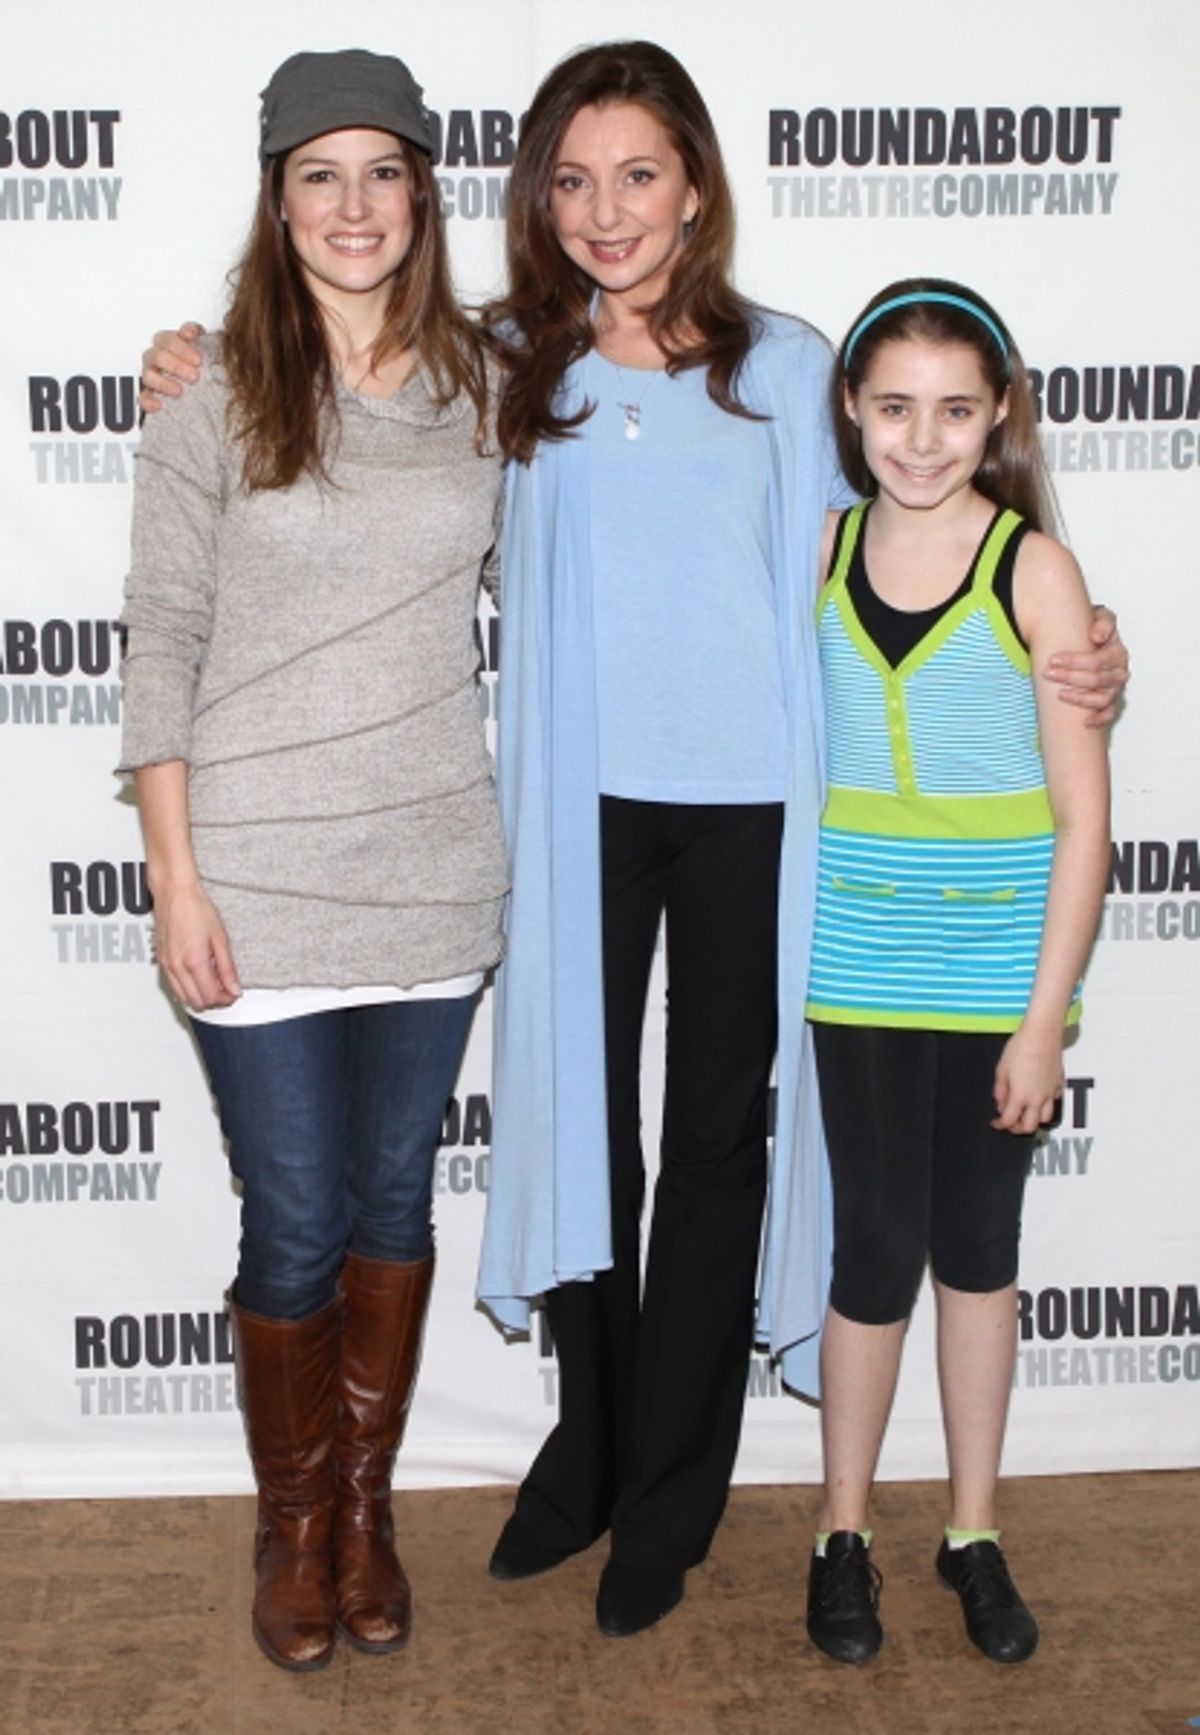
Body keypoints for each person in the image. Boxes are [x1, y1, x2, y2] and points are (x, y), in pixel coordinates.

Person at [138, 42, 1127, 1644]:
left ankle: (674, 1492)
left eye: (639, 176)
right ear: (538, 196)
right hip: (569, 805)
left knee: (716, 1152)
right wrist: (187, 358)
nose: (607, 212)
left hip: (754, 814)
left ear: (696, 187)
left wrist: (1082, 641)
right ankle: (583, 1458)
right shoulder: (494, 364)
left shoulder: (800, 368)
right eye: (573, 180)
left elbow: (917, 542)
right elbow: (322, 370)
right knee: (585, 1132)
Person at [119, 49, 507, 1673]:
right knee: (292, 1223)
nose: (354, 205)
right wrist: (174, 877)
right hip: (255, 882)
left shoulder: (494, 388)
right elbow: (162, 640)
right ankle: (291, 1529)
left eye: (383, 171)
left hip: (432, 874)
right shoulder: (207, 392)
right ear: (277, 201)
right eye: (319, 174)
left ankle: (367, 1512)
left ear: (423, 193)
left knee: (392, 1206)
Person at [802, 281, 1110, 1668]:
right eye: (891, 408)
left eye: (954, 411)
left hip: (999, 976)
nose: (920, 439)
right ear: (853, 411)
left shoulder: (1034, 567)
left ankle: (973, 1531)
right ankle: (843, 1534)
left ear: (998, 419)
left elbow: (1085, 820)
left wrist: (1043, 1023)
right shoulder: (815, 545)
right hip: (857, 965)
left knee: (979, 1256)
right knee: (871, 1253)